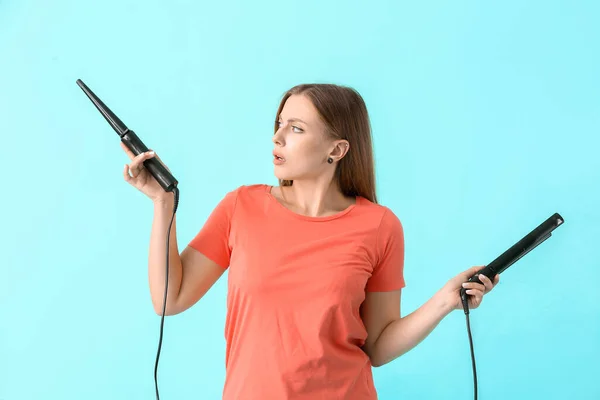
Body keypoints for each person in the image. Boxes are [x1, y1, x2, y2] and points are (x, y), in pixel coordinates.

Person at [120, 83, 499, 399]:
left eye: (296, 128)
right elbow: (170, 298)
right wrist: (162, 202)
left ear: (337, 150)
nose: (278, 137)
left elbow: (378, 347)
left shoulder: (380, 226)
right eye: (279, 123)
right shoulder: (242, 207)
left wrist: (444, 302)